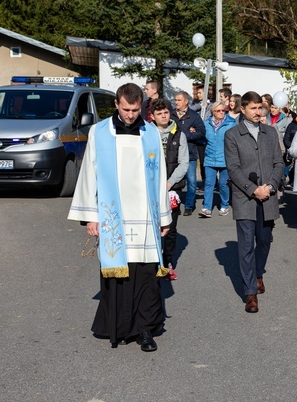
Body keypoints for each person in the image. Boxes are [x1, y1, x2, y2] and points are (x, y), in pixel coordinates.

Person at [68, 83, 172, 352]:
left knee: (147, 275)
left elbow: (159, 175)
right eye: (126, 109)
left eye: (135, 110)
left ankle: (145, 330)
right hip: (113, 215)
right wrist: (90, 216)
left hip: (145, 215)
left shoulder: (150, 132)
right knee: (119, 277)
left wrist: (163, 216)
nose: (130, 115)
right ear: (116, 104)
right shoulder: (100, 132)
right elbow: (89, 174)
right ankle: (120, 328)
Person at [224, 91, 284, 313]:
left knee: (265, 239)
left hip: (267, 196)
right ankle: (250, 292)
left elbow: (279, 162)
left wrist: (270, 187)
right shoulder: (232, 135)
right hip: (245, 198)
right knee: (247, 244)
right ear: (243, 109)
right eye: (254, 108)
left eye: (261, 108)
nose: (259, 112)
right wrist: (252, 189)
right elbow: (233, 168)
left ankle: (258, 273)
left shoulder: (270, 132)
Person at [151, 99, 188, 281]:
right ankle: (152, 263)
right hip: (151, 187)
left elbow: (184, 163)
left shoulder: (179, 134)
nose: (163, 116)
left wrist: (169, 183)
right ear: (153, 116)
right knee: (152, 226)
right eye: (159, 114)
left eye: (166, 112)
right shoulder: (147, 133)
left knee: (171, 227)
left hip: (173, 188)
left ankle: (168, 263)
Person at [201, 102, 237, 218]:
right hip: (210, 158)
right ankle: (206, 208)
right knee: (209, 183)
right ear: (212, 112)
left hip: (225, 159)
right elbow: (201, 139)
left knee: (223, 184)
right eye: (218, 111)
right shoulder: (206, 124)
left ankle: (225, 205)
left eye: (223, 110)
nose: (221, 112)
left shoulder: (231, 123)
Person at [173, 91, 206, 216]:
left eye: (179, 100)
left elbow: (202, 132)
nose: (176, 102)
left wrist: (188, 135)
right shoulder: (171, 114)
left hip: (190, 154)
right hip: (174, 154)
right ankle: (174, 204)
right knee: (175, 181)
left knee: (191, 182)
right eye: (175, 100)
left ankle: (189, 205)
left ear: (186, 101)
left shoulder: (193, 116)